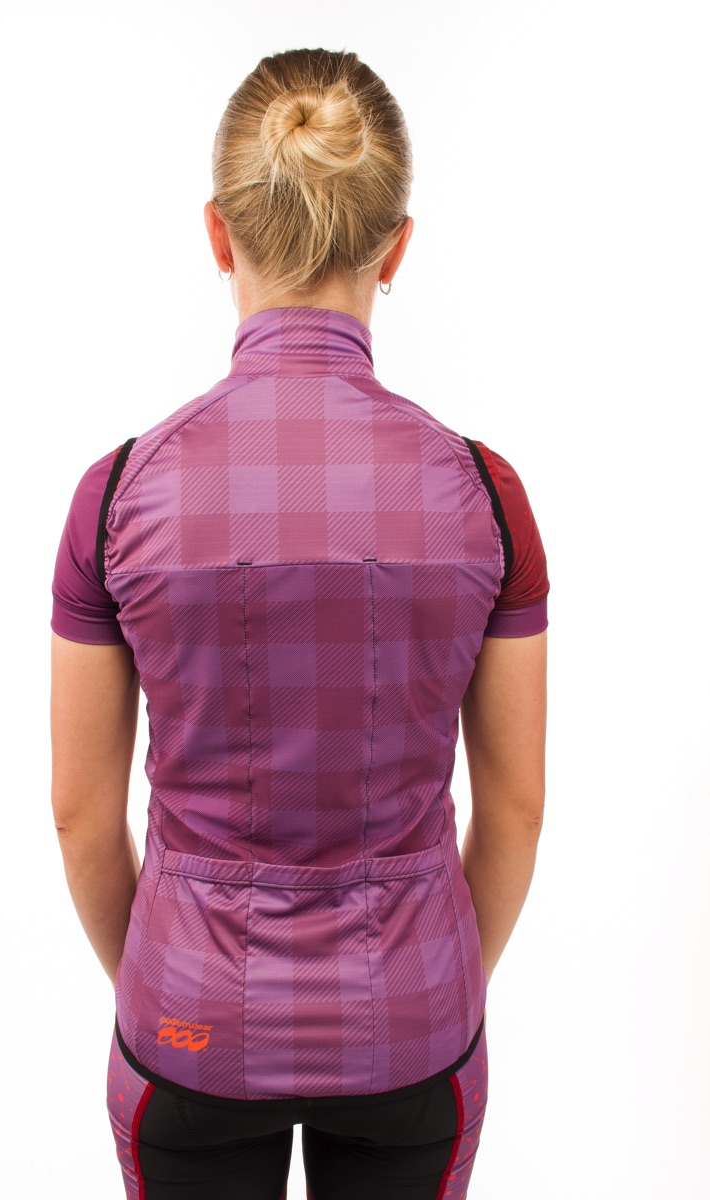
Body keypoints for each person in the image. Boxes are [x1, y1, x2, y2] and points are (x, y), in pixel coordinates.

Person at [50, 47, 548, 1200]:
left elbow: (79, 816)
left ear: (218, 236)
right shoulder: (485, 494)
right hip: (413, 1022)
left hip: (186, 1019)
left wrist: (168, 983)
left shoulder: (115, 495)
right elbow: (516, 809)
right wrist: (433, 985)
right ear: (396, 248)